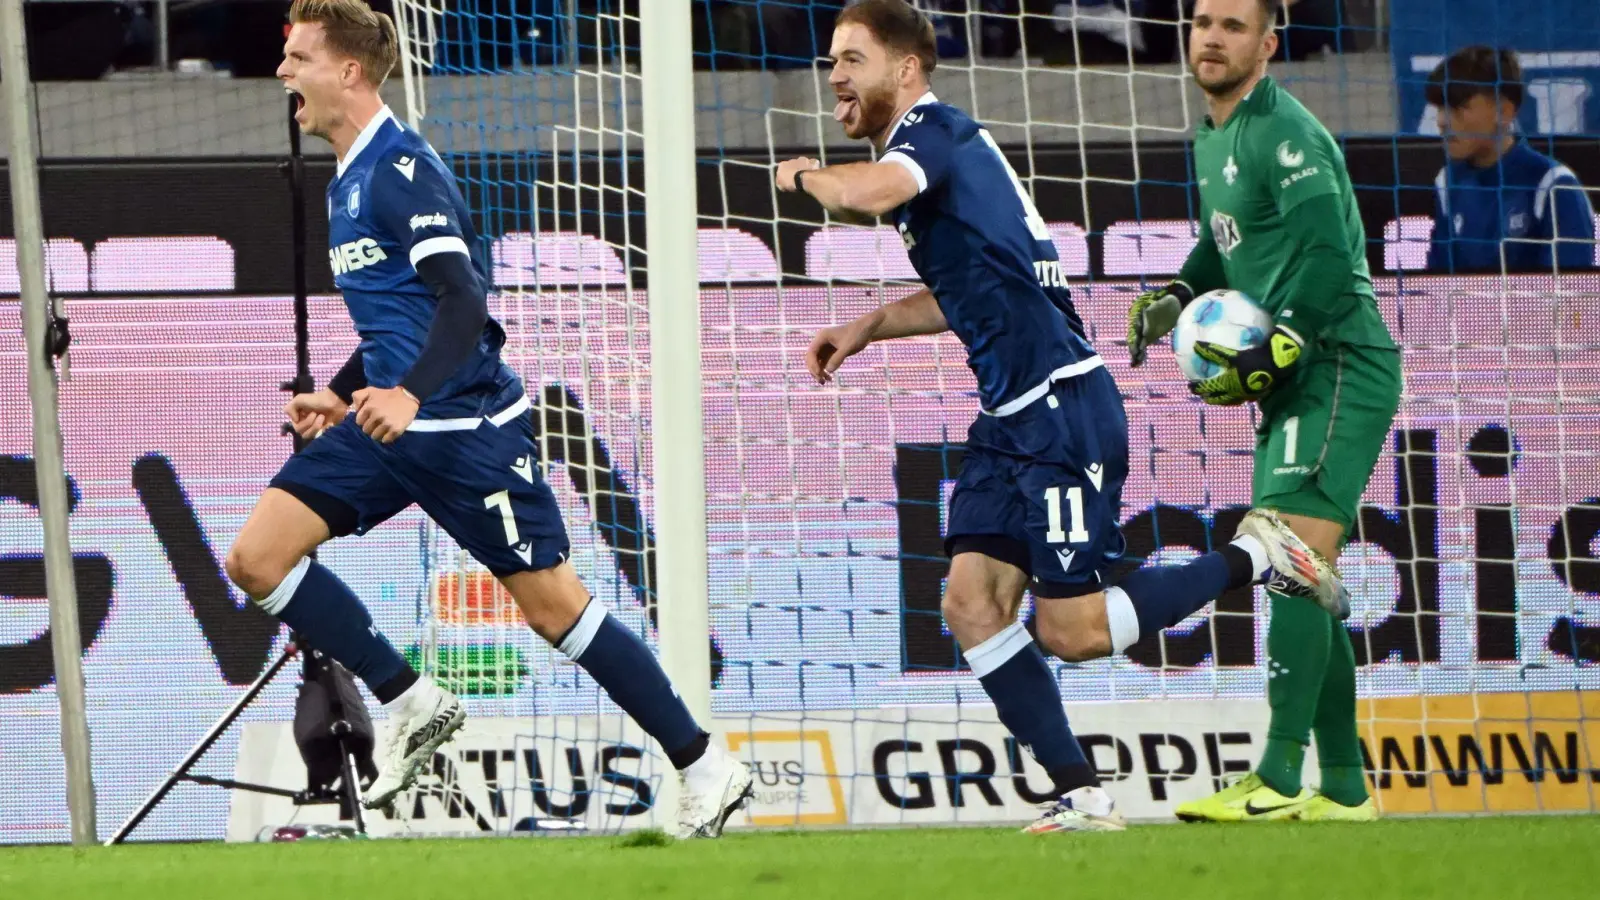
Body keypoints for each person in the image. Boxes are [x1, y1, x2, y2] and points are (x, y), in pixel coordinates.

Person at [777, 0, 1344, 834]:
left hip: (1060, 408)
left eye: (851, 59)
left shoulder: (928, 134)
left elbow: (869, 192)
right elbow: (968, 289)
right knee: (970, 604)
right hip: (1012, 414)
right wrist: (867, 326)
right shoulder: (939, 158)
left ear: (905, 69)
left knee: (1071, 629)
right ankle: (1080, 793)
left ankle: (1255, 554)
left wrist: (801, 176)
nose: (834, 77)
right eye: (831, 60)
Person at [231, 0, 752, 837]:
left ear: (350, 72)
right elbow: (395, 321)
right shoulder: (349, 175)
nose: (284, 73)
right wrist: (344, 390)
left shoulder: (402, 172)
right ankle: (412, 699)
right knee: (257, 557)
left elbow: (465, 299)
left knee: (555, 613)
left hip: (466, 432)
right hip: (388, 430)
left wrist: (407, 395)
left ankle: (704, 763)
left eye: (298, 58)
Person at [1127, 0, 1401, 822]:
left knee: (1282, 557)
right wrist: (1181, 291)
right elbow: (1225, 242)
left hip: (1337, 363)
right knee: (1304, 575)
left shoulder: (1286, 135)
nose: (1212, 36)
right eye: (1202, 21)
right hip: (1292, 376)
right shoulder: (1216, 135)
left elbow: (1328, 255)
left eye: (1233, 25)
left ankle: (1280, 779)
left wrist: (1285, 342)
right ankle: (1346, 791)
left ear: (1268, 44)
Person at [1425, 46, 1596, 273]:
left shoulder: (1553, 186)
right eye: (1439, 108)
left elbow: (1573, 295)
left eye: (1458, 108)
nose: (1442, 120)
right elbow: (1436, 285)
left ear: (1504, 112)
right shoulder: (1447, 182)